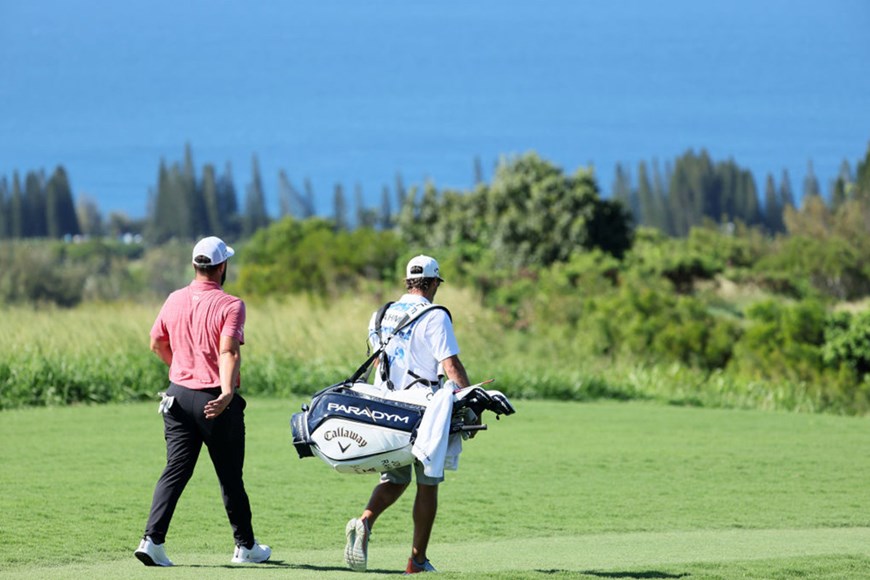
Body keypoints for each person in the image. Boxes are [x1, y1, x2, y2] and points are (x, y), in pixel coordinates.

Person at [134, 236, 271, 567]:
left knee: (175, 471)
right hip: (214, 399)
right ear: (222, 267)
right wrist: (226, 393)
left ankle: (151, 540)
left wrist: (180, 369)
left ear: (195, 266)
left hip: (178, 396)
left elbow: (156, 342)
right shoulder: (231, 304)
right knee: (229, 475)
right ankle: (245, 546)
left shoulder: (174, 299)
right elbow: (228, 350)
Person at [344, 254, 471, 574]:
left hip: (386, 409)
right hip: (425, 412)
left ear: (408, 282)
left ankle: (364, 522)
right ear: (431, 283)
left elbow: (378, 362)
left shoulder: (381, 314)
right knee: (428, 484)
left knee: (395, 478)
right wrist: (469, 400)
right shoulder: (435, 315)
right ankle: (417, 560)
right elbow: (450, 366)